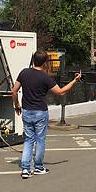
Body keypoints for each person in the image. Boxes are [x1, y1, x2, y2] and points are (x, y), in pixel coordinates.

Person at [12, 50, 82, 179]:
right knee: (40, 140)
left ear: (33, 60)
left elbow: (14, 90)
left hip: (26, 111)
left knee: (28, 140)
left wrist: (16, 105)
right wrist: (75, 80)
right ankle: (38, 167)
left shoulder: (24, 73)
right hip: (40, 112)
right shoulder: (45, 77)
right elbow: (61, 92)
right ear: (45, 63)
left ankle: (25, 169)